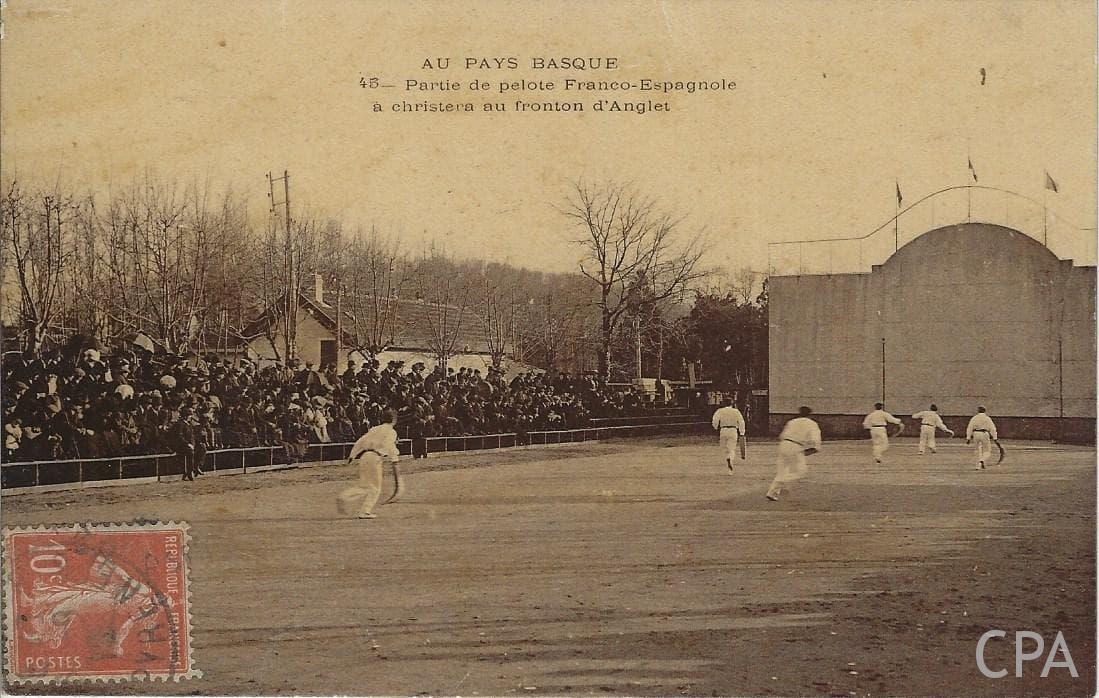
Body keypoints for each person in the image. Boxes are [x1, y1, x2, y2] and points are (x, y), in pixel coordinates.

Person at [338, 410, 401, 519]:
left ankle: (344, 496)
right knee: (375, 488)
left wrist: (352, 455)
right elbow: (389, 445)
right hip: (375, 458)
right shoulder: (391, 431)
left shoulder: (374, 429)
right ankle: (365, 511)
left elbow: (361, 441)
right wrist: (394, 459)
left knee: (364, 485)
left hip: (364, 456)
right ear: (394, 420)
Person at [766, 406, 822, 501]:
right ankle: (781, 482)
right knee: (801, 472)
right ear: (809, 414)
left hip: (783, 444)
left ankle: (772, 493)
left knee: (783, 469)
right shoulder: (812, 423)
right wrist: (815, 448)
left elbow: (782, 435)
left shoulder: (792, 422)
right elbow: (815, 438)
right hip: (796, 445)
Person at [710, 397, 746, 471]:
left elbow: (715, 420)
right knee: (732, 448)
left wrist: (715, 427)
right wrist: (742, 432)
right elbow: (741, 422)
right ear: (732, 403)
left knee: (724, 447)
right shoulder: (736, 411)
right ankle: (730, 458)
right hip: (733, 430)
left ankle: (727, 458)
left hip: (723, 430)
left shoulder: (720, 411)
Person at [965, 406, 999, 470]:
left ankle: (978, 465)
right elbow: (992, 428)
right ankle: (982, 460)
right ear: (985, 411)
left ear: (978, 411)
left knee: (977, 450)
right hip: (984, 434)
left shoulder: (974, 418)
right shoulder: (987, 418)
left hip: (976, 434)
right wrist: (995, 438)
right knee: (987, 450)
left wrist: (968, 437)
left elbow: (970, 427)